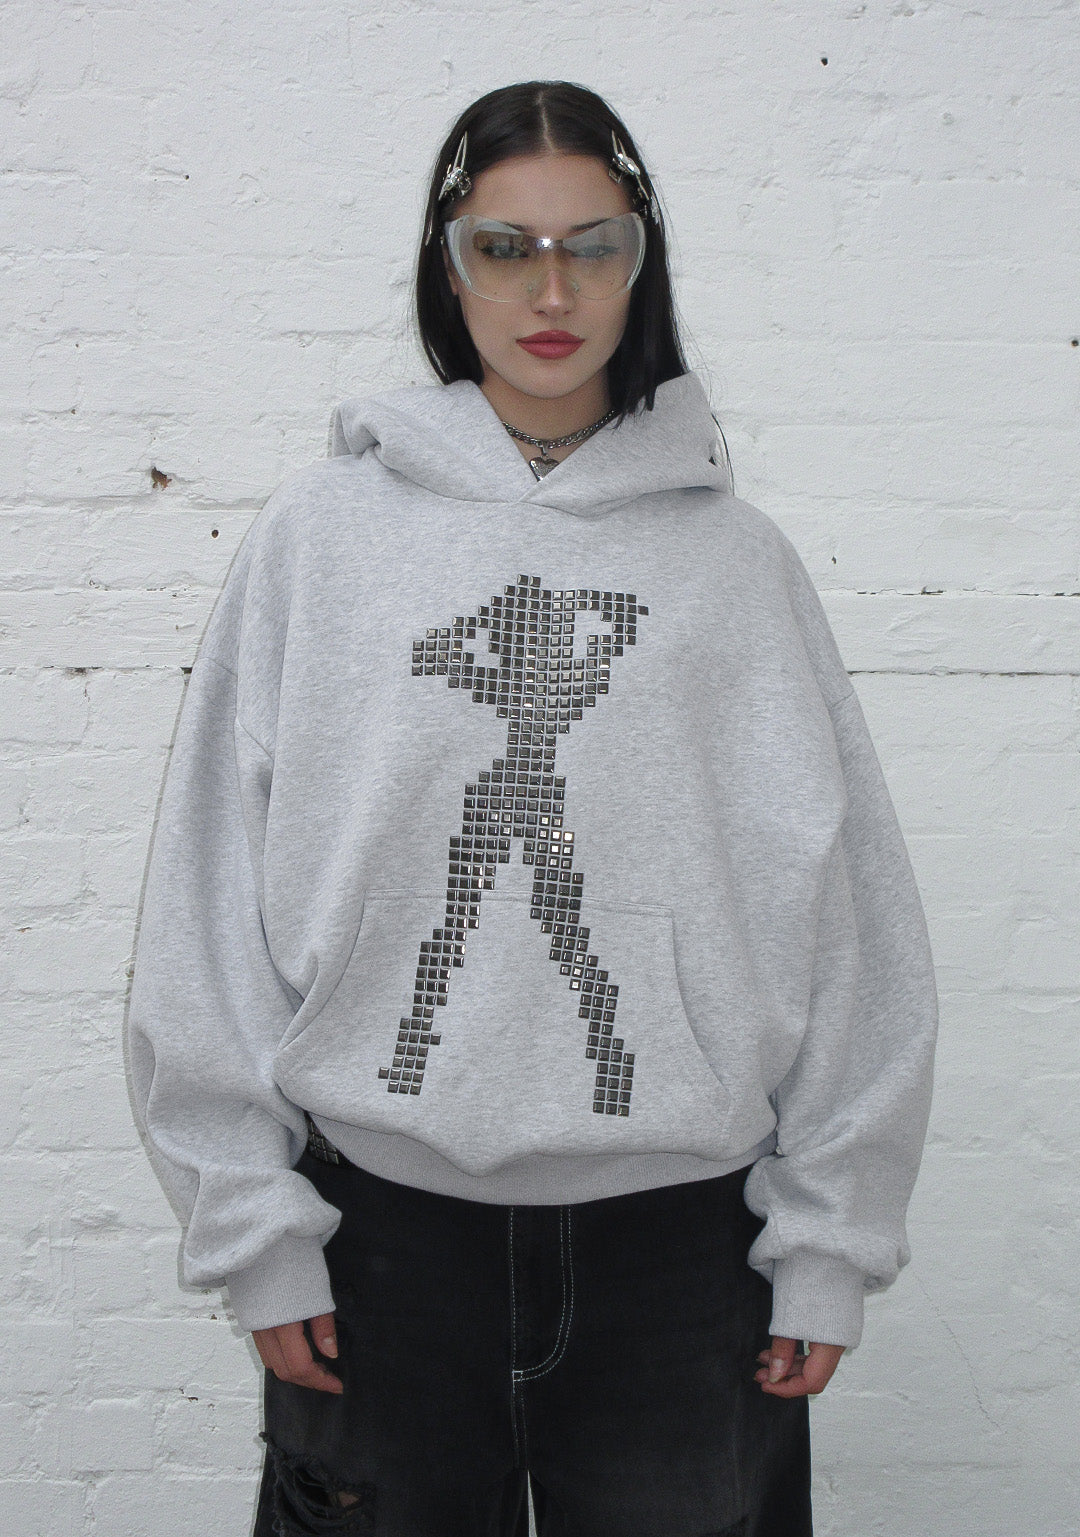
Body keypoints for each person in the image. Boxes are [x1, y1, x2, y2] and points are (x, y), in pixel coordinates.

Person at [125, 79, 938, 1537]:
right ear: (451, 268)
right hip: (380, 1242)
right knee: (475, 921)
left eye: (592, 246)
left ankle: (606, 1051)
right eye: (505, 248)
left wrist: (828, 1238)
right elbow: (209, 887)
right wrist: (253, 1227)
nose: (550, 292)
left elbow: (849, 910)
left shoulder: (735, 566)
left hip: (683, 1257)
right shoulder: (319, 540)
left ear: (641, 264)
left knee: (558, 930)